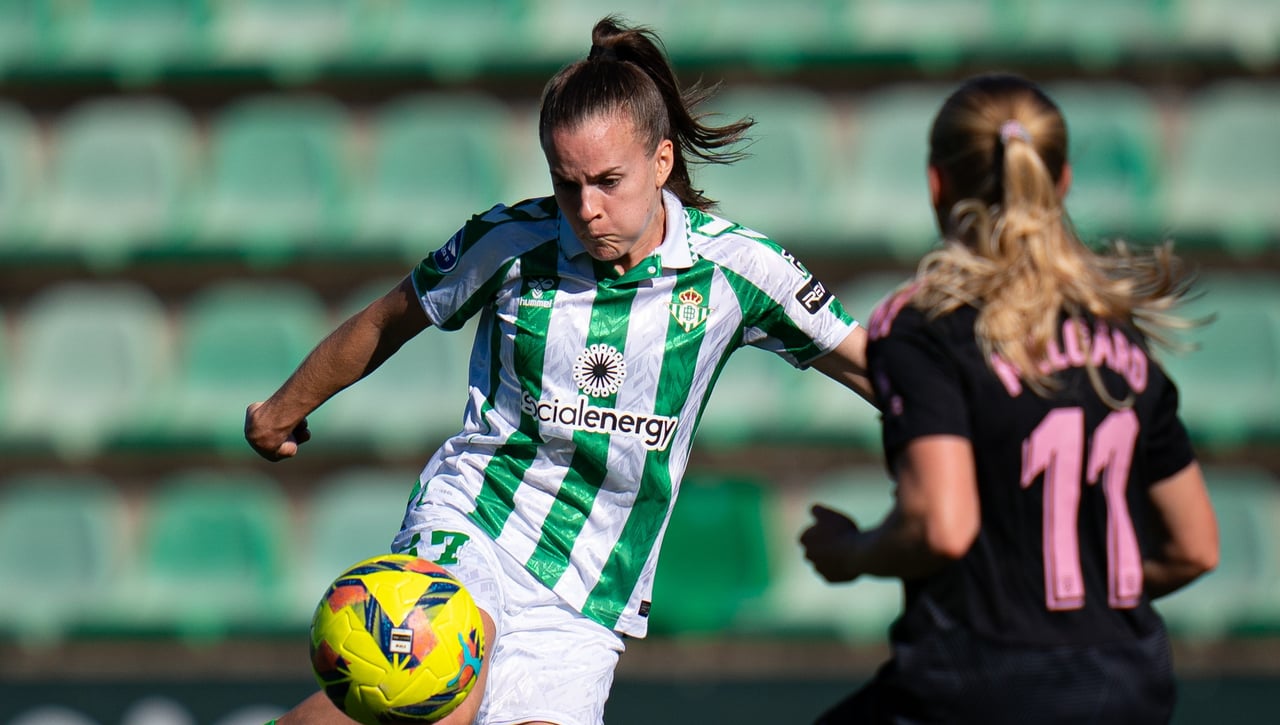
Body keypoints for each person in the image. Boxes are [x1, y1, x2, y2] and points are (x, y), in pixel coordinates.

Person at [245, 15, 874, 725]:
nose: (587, 207)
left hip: (587, 588)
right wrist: (282, 407)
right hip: (475, 521)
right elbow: (392, 317)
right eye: (566, 182)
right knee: (434, 696)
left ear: (662, 162)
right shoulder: (510, 243)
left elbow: (876, 368)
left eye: (608, 180)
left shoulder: (738, 269)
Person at [800, 73, 1220, 725]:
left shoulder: (927, 328)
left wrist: (854, 553)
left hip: (979, 683)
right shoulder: (1121, 334)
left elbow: (942, 522)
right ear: (1064, 180)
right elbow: (1195, 546)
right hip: (1129, 687)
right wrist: (1078, 602)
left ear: (937, 184)